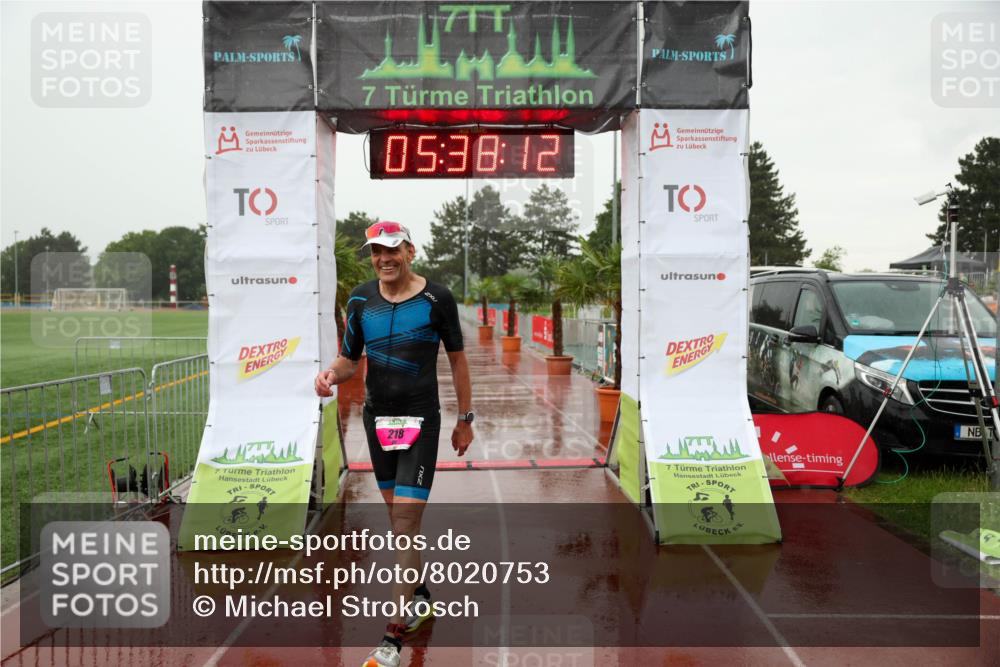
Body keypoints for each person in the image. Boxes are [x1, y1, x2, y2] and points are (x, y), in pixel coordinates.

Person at [314, 221, 474, 667]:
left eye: (392, 249)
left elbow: (458, 362)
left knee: (404, 522)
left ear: (410, 250)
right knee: (397, 519)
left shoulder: (436, 298)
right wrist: (330, 374)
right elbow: (349, 360)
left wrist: (465, 419)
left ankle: (392, 637)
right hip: (377, 420)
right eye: (376, 252)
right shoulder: (361, 299)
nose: (384, 258)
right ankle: (420, 597)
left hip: (422, 420)